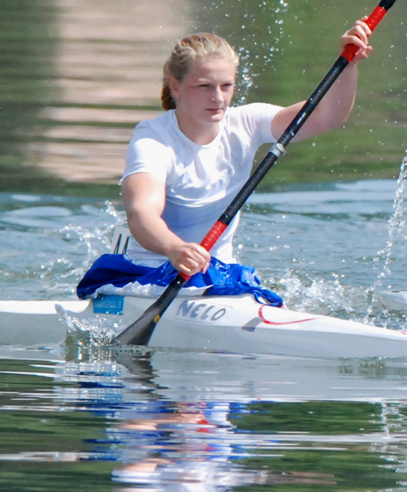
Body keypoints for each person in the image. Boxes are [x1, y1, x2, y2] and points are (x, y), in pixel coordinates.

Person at [84, 22, 372, 294]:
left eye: (226, 86)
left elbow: (326, 117)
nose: (218, 98)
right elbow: (141, 214)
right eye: (204, 86)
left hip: (220, 276)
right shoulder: (153, 140)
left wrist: (349, 64)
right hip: (149, 275)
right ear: (175, 87)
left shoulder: (246, 123)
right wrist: (175, 248)